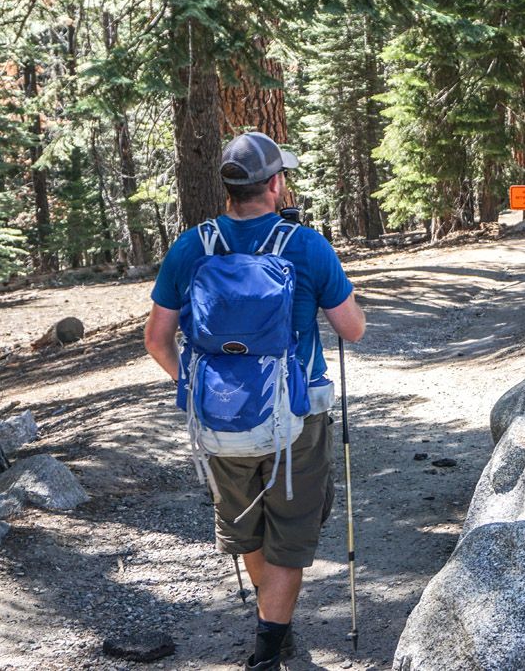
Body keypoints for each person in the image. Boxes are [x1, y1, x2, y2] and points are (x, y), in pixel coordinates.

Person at [144, 132, 365, 671]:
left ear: (228, 190)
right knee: (290, 531)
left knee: (246, 525)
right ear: (274, 184)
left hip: (218, 420)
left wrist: (195, 388)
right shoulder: (306, 245)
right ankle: (270, 645)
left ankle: (273, 622)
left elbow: (156, 338)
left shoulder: (191, 247)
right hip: (294, 417)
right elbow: (352, 329)